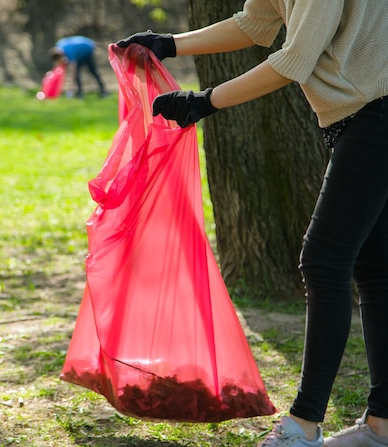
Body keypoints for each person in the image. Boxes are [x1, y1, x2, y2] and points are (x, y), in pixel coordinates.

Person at [116, 0, 388, 446]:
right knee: (374, 268)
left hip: (376, 111)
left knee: (324, 260)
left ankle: (303, 425)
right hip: (363, 113)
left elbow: (293, 60)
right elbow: (256, 22)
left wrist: (204, 101)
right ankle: (382, 427)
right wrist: (168, 45)